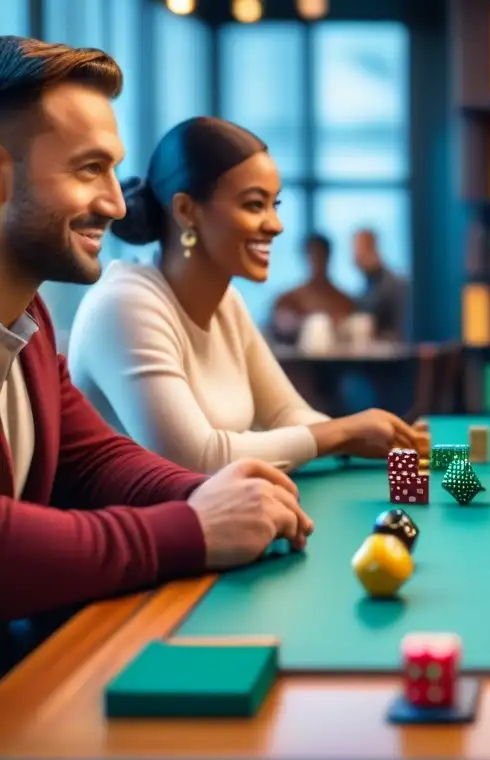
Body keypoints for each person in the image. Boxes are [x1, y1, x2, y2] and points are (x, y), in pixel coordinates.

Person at [0, 36, 313, 663]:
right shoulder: (120, 298)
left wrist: (207, 491)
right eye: (89, 168)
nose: (118, 203)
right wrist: (194, 527)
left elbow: (90, 460)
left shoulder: (26, 318)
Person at [67, 116, 424, 474]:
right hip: (131, 527)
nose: (276, 225)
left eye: (275, 205)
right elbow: (197, 460)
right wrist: (344, 433)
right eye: (255, 205)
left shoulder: (227, 301)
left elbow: (285, 413)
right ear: (186, 211)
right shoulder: (125, 304)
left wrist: (372, 439)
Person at [270, 233, 355, 343]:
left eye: (321, 255)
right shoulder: (287, 300)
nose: (317, 261)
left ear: (328, 257)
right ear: (305, 257)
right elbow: (276, 335)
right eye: (313, 255)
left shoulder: (344, 301)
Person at [350, 228, 407, 341]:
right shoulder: (368, 287)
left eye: (358, 251)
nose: (354, 258)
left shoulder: (392, 286)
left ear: (372, 249)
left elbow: (400, 331)